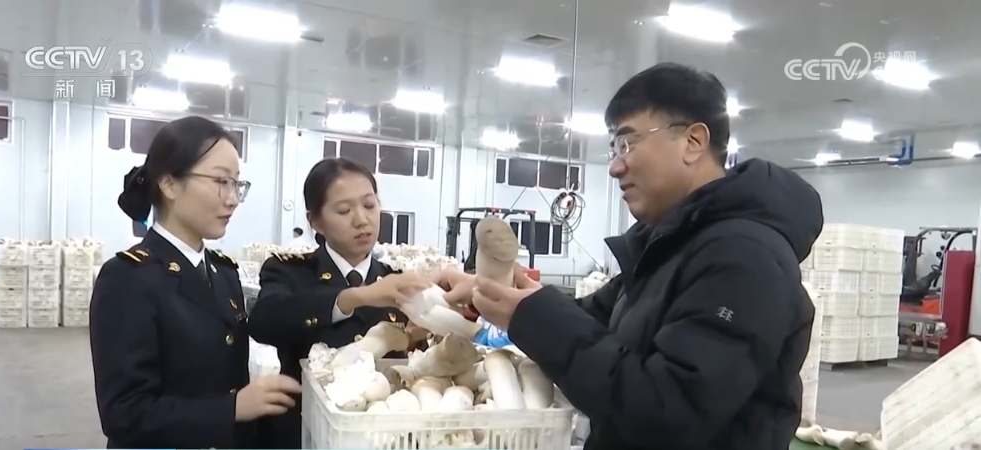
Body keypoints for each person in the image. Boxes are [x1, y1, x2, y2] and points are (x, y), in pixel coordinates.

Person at [436, 63, 823, 450]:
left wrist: (532, 316)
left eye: (627, 143)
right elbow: (591, 318)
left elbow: (667, 411)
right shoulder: (671, 248)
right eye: (614, 148)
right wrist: (493, 292)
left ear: (693, 141)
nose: (615, 166)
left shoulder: (745, 259)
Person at [89, 116, 302, 449]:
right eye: (221, 181)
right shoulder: (128, 278)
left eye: (237, 184)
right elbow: (124, 414)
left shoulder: (224, 273)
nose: (232, 198)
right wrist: (232, 408)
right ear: (169, 184)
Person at [248, 157, 431, 448]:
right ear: (315, 222)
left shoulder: (396, 280)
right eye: (344, 210)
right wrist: (356, 297)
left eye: (369, 205)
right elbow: (264, 321)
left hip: (381, 437)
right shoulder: (289, 271)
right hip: (306, 433)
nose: (362, 220)